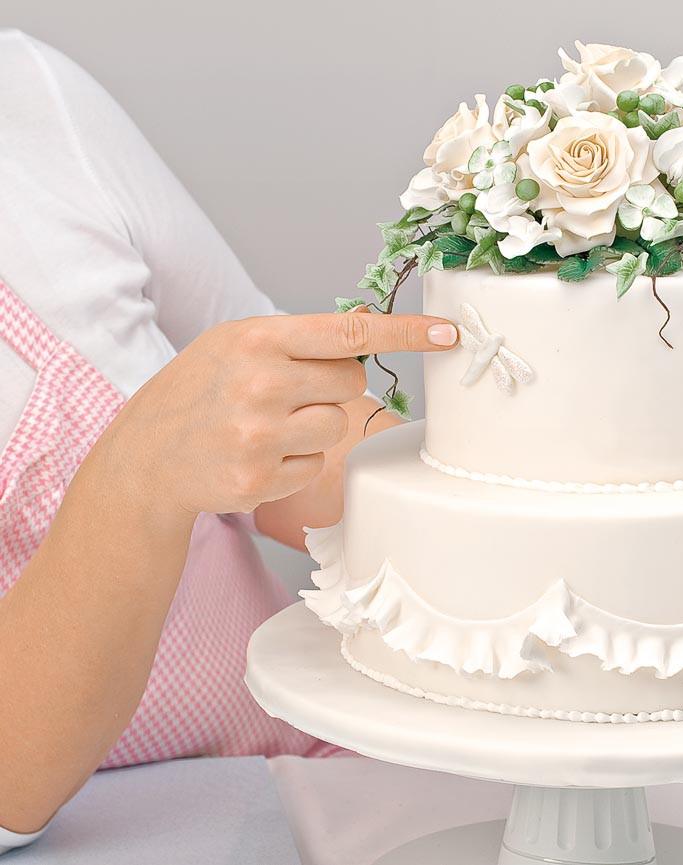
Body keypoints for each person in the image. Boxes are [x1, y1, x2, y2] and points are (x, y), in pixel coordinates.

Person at [0, 29, 458, 852]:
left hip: (304, 762)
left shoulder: (25, 93)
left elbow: (277, 424)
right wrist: (137, 475)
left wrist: (521, 502)